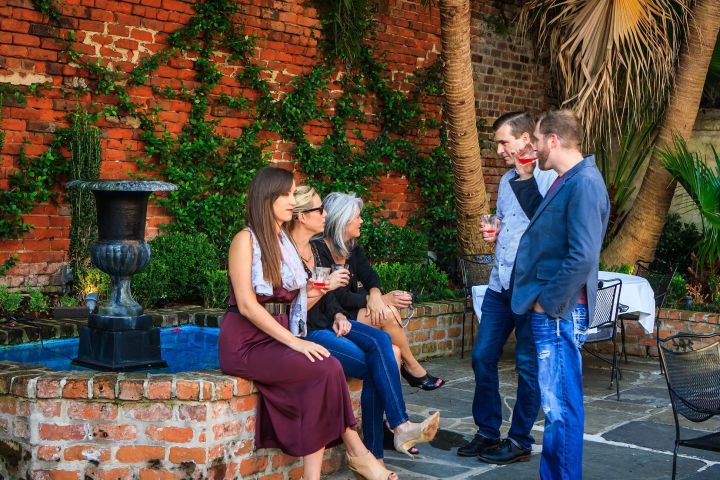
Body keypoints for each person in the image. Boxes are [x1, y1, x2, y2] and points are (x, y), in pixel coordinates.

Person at [218, 167, 398, 480]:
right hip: (246, 342)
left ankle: (317, 474)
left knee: (328, 367)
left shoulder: (284, 244)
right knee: (325, 368)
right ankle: (358, 454)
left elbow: (299, 297)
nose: (292, 201)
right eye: (287, 194)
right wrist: (296, 341)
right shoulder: (244, 240)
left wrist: (315, 311)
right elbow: (247, 305)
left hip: (278, 334)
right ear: (268, 197)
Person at [286, 185, 440, 461]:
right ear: (302, 216)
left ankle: (395, 430)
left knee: (383, 343)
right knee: (380, 363)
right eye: (319, 210)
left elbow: (333, 296)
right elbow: (293, 305)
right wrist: (328, 295)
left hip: (330, 322)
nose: (324, 215)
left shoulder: (314, 249)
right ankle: (381, 446)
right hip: (309, 332)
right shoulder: (288, 251)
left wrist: (338, 314)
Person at [512, 110, 610, 480]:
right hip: (557, 310)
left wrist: (547, 302)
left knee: (560, 406)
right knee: (557, 405)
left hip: (560, 311)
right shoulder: (567, 179)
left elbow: (583, 254)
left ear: (553, 140)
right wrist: (524, 180)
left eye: (536, 140)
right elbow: (547, 223)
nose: (533, 148)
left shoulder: (583, 182)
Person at [458, 112, 557, 464]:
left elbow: (546, 226)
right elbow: (508, 219)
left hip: (530, 290)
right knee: (482, 356)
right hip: (500, 285)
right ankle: (487, 432)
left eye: (504, 141)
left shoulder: (549, 179)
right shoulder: (505, 179)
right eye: (497, 143)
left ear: (527, 139)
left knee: (528, 368)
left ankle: (518, 441)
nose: (498, 149)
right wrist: (496, 228)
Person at [313, 192, 445, 391]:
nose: (361, 221)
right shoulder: (318, 250)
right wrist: (381, 299)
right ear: (342, 220)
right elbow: (336, 296)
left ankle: (408, 368)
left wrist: (375, 294)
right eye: (357, 217)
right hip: (330, 314)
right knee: (387, 313)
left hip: (350, 310)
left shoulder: (352, 247)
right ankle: (411, 367)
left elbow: (370, 276)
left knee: (387, 320)